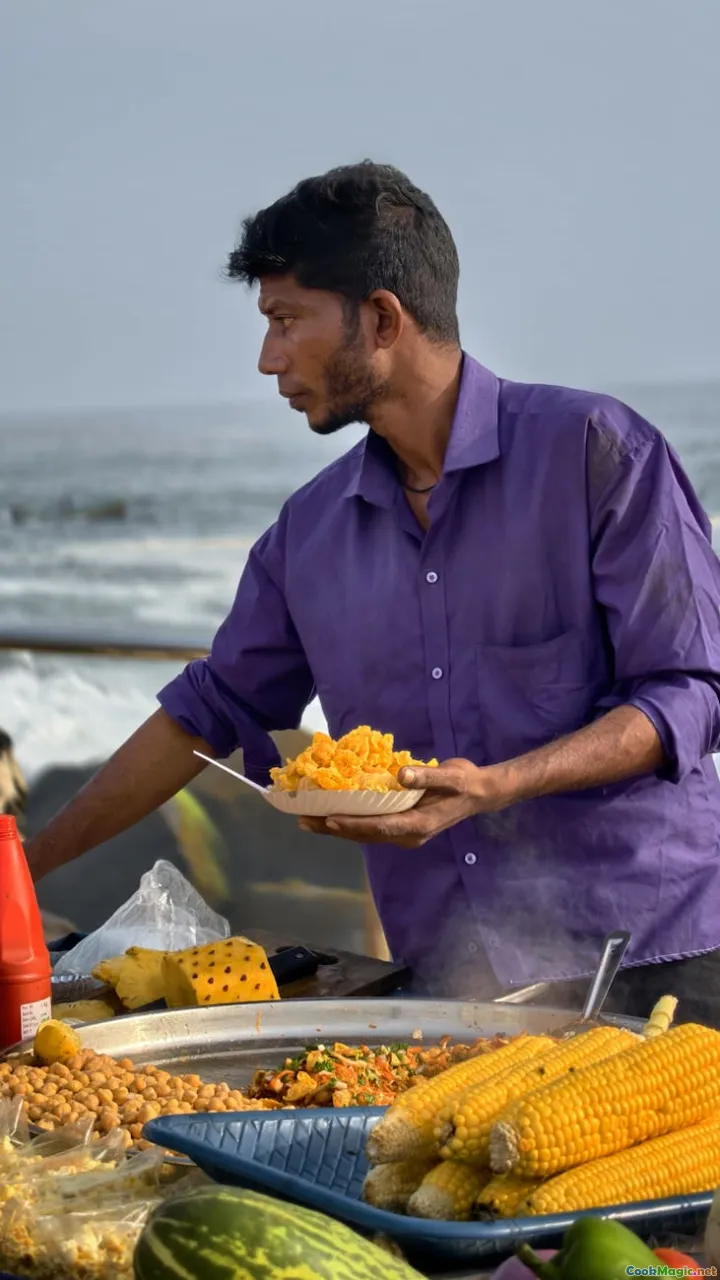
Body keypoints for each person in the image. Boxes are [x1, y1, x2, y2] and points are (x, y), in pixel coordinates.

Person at [26, 161, 720, 1022]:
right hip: (452, 980)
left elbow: (687, 694)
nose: (266, 357)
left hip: (658, 958)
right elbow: (207, 710)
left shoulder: (596, 452)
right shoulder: (310, 532)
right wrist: (27, 863)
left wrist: (499, 783)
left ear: (383, 318)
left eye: (286, 321)